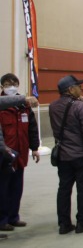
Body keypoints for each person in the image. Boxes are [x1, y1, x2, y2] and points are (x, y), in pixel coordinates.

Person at [50, 75, 83, 234]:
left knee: (64, 189)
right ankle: (82, 222)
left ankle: (64, 224)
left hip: (63, 155)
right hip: (80, 155)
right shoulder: (79, 106)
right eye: (78, 86)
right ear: (70, 89)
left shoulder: (53, 106)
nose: (81, 89)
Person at [0, 73, 41, 232]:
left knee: (17, 186)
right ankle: (2, 220)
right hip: (5, 154)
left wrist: (35, 148)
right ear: (2, 87)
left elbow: (32, 127)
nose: (11, 87)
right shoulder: (3, 106)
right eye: (8, 84)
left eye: (14, 84)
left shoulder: (24, 105)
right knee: (3, 188)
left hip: (20, 152)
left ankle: (13, 217)